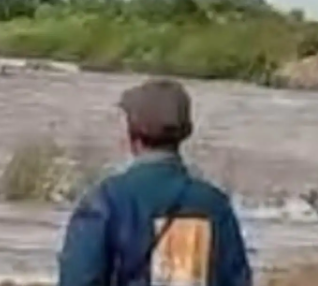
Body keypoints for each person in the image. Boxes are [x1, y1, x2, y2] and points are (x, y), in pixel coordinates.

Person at [58, 78, 251, 286]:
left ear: (131, 132)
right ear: (186, 133)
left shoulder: (105, 201)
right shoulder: (215, 206)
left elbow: (78, 279)